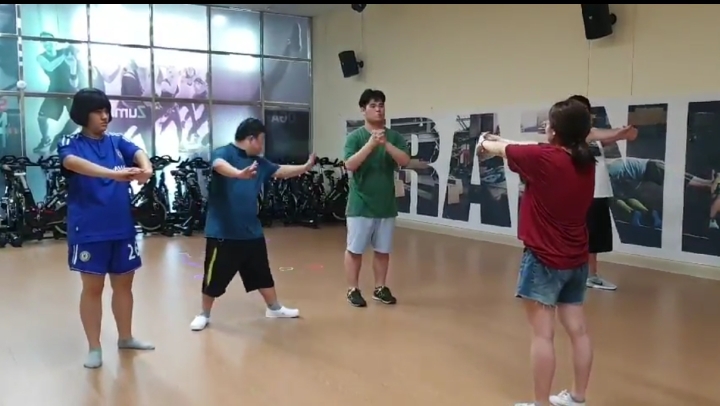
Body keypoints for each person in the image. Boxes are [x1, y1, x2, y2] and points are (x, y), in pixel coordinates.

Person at [478, 99, 596, 406]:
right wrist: (501, 140)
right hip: (576, 259)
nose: (545, 127)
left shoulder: (544, 159)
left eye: (549, 124)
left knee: (543, 335)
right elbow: (524, 147)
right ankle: (577, 397)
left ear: (554, 131)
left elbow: (504, 150)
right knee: (578, 331)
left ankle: (542, 403)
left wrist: (484, 142)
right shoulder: (586, 161)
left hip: (543, 259)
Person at [58, 88, 155, 368]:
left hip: (121, 227)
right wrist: (114, 174)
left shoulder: (116, 141)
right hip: (89, 229)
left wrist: (146, 169)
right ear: (83, 114)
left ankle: (126, 337)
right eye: (98, 111)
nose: (105, 116)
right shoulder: (71, 142)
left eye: (106, 111)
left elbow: (138, 152)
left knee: (124, 285)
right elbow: (72, 163)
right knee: (93, 288)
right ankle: (94, 347)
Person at [189, 117, 314, 331]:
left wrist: (305, 167)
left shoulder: (259, 162)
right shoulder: (223, 153)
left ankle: (274, 308)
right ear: (251, 138)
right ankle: (204, 314)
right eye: (261, 140)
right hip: (223, 232)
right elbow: (219, 166)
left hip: (251, 232)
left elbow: (280, 170)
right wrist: (239, 174)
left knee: (261, 273)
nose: (263, 145)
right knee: (214, 278)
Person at [343, 89, 411, 307]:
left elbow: (404, 161)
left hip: (386, 205)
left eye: (381, 105)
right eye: (373, 105)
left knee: (383, 250)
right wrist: (371, 144)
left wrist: (385, 144)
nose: (379, 109)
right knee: (355, 250)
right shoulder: (355, 138)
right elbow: (350, 164)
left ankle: (380, 287)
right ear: (363, 110)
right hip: (360, 204)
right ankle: (353, 289)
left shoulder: (394, 137)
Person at [567, 95, 638, 291]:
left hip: (598, 193)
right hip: (582, 195)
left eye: (586, 110)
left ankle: (590, 275)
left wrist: (624, 134)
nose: (586, 115)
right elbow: (595, 134)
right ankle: (578, 275)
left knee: (594, 239)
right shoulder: (573, 134)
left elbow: (615, 137)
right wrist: (618, 132)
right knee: (580, 237)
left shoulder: (593, 135)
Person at [34, 32, 82, 154]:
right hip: (54, 90)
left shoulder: (65, 52)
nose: (47, 42)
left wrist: (72, 61)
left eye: (49, 40)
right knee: (41, 117)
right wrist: (64, 56)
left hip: (70, 90)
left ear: (55, 42)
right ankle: (45, 139)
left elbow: (74, 79)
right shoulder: (41, 57)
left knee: (78, 119)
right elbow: (50, 67)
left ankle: (60, 137)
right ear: (41, 43)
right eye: (44, 40)